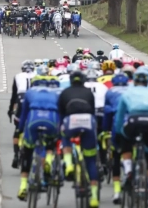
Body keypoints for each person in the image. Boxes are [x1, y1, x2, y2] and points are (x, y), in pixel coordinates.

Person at [114, 66, 148, 207]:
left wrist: (118, 132)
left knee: (126, 141)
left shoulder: (128, 91)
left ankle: (128, 171)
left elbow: (120, 116)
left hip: (134, 120)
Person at [58, 71, 99, 207]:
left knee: (65, 135)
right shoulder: (88, 93)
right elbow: (92, 111)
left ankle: (69, 164)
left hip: (71, 119)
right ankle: (94, 197)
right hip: (88, 121)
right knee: (90, 160)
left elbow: (61, 114)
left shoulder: (65, 92)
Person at [17, 75, 60, 200]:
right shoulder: (55, 93)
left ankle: (23, 186)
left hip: (33, 119)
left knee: (28, 151)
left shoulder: (30, 92)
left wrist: (20, 130)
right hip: (51, 119)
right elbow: (61, 113)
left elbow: (23, 114)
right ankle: (48, 159)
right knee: (50, 143)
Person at [102, 73, 129, 204]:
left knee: (116, 157)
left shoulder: (110, 91)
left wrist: (105, 129)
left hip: (117, 125)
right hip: (134, 123)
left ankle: (117, 191)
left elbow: (107, 113)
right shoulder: (133, 89)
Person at [7, 60, 36, 169]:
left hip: (22, 100)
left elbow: (14, 96)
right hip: (34, 101)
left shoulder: (18, 76)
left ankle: (16, 154)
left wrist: (10, 110)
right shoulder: (37, 75)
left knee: (17, 130)